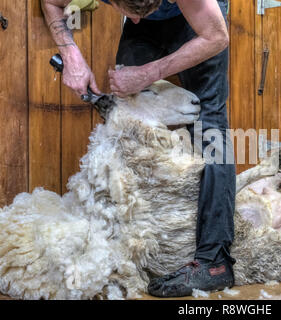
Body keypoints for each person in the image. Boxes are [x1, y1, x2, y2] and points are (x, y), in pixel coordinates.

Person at [41, 0, 236, 297]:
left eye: (138, 13)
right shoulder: (137, 17)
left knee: (211, 127)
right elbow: (52, 1)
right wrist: (72, 56)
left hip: (200, 23)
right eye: (126, 13)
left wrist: (147, 74)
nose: (131, 21)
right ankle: (127, 235)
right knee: (125, 111)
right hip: (150, 22)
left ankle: (215, 262)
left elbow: (217, 37)